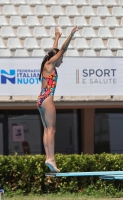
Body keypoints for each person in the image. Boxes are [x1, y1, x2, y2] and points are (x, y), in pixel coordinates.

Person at [37, 26, 78, 172]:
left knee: (47, 129)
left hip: (40, 99)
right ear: (56, 58)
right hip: (48, 99)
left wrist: (56, 37)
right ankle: (51, 159)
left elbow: (53, 51)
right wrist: (71, 35)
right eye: (61, 58)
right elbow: (62, 50)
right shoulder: (50, 64)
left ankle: (49, 157)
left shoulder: (47, 65)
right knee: (52, 129)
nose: (62, 60)